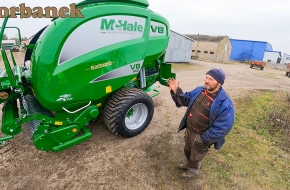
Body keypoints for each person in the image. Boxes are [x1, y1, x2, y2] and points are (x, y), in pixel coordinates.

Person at [167, 68, 234, 179]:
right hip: (190, 130)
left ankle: (192, 171)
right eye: (206, 77)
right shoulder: (200, 90)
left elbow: (223, 127)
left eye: (211, 79)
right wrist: (176, 90)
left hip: (202, 136)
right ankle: (188, 164)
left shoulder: (225, 103)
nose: (206, 81)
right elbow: (185, 99)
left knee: (196, 156)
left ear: (219, 82)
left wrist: (203, 139)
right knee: (187, 150)